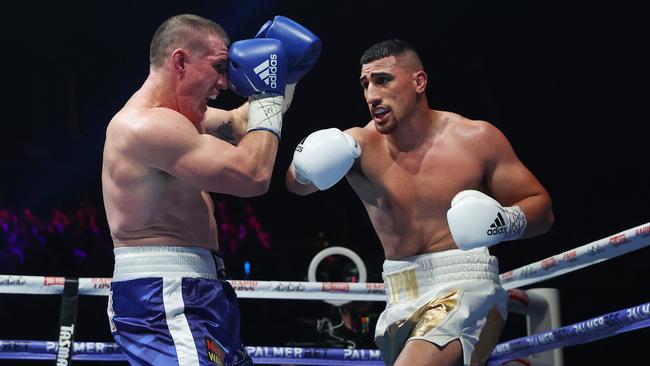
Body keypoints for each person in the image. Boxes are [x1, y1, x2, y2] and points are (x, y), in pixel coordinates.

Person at [285, 38, 553, 366]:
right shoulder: (359, 145)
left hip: (466, 286)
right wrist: (304, 165)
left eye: (383, 80)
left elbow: (541, 208)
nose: (371, 95)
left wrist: (503, 222)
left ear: (418, 82)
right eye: (365, 84)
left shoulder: (475, 139)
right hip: (398, 296)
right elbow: (297, 187)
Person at [102, 14, 320, 365]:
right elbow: (253, 174)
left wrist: (286, 78)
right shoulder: (146, 125)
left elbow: (243, 123)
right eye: (219, 66)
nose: (225, 82)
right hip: (165, 294)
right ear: (180, 60)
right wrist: (266, 91)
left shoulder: (185, 120)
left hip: (198, 289)